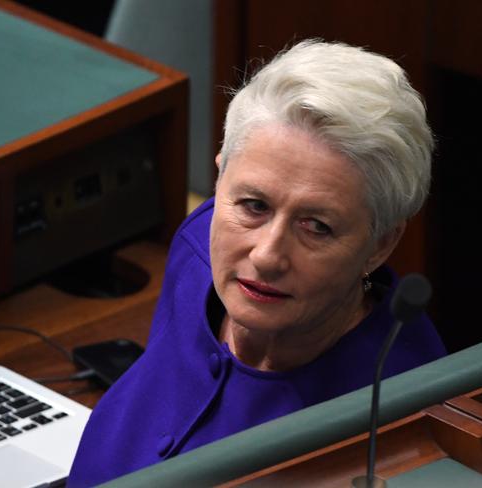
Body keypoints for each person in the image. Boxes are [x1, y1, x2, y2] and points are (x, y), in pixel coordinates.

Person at [68, 39, 446, 487]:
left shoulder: (402, 415)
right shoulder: (198, 249)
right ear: (220, 175)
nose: (266, 256)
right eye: (253, 205)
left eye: (317, 227)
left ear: (381, 245)